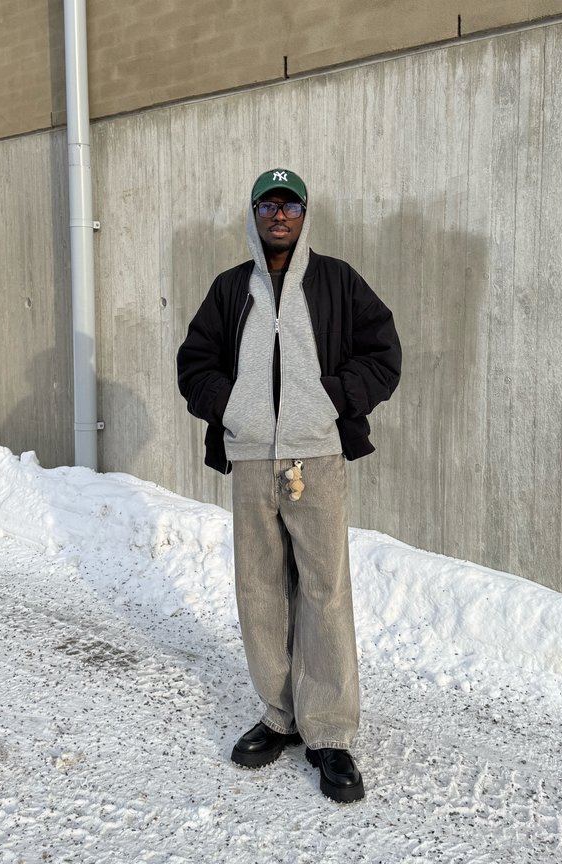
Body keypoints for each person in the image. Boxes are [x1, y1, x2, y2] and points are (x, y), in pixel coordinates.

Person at [177, 168, 401, 804]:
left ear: (305, 214)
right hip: (251, 459)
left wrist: (331, 401)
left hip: (317, 459)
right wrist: (233, 409)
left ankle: (330, 732)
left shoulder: (335, 281)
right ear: (253, 214)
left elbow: (383, 353)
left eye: (290, 203)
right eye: (268, 203)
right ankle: (280, 716)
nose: (279, 214)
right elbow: (193, 363)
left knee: (325, 589)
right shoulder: (231, 289)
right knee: (261, 589)